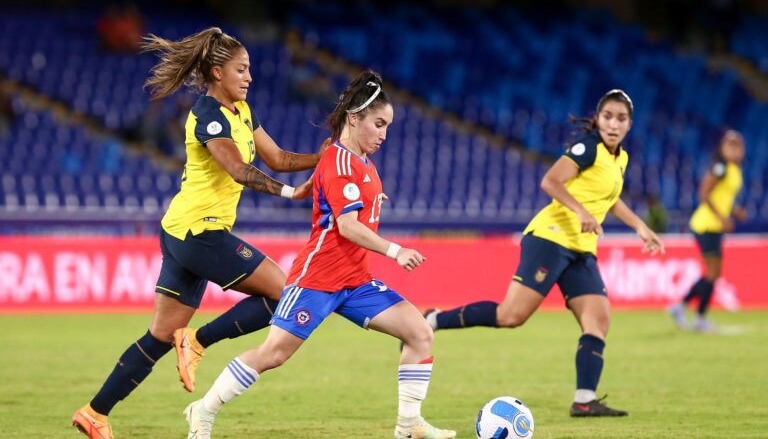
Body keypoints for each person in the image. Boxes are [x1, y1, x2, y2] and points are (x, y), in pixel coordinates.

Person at [72, 27, 329, 439]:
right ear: (216, 72)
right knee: (283, 291)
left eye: (250, 70)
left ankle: (95, 412)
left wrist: (324, 156)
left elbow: (278, 157)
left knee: (160, 336)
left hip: (182, 232)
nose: (249, 77)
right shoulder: (207, 115)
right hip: (198, 231)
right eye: (241, 70)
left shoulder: (243, 112)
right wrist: (289, 192)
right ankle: (199, 341)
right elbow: (238, 170)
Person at [183, 70, 456, 439]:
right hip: (317, 280)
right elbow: (346, 226)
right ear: (354, 118)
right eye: (378, 124)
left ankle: (409, 427)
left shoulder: (360, 162)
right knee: (272, 355)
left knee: (420, 334)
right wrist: (395, 250)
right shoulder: (339, 161)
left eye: (387, 126)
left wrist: (374, 199)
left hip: (355, 282)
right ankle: (203, 411)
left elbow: (351, 205)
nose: (383, 134)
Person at [425, 89, 665, 417]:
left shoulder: (618, 158)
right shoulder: (588, 148)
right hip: (550, 239)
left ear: (629, 125)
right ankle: (433, 320)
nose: (613, 124)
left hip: (581, 249)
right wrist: (581, 212)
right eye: (607, 116)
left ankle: (584, 400)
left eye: (620, 118)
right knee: (511, 316)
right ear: (597, 120)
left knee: (598, 320)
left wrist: (639, 226)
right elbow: (551, 181)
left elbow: (611, 199)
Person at [668, 130, 746, 332]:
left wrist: (734, 211)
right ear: (722, 147)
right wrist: (722, 217)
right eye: (730, 145)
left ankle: (682, 308)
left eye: (737, 146)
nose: (734, 150)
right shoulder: (719, 167)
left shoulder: (733, 169)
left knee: (713, 273)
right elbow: (704, 193)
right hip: (706, 225)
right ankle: (697, 316)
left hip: (715, 225)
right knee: (713, 272)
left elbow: (723, 197)